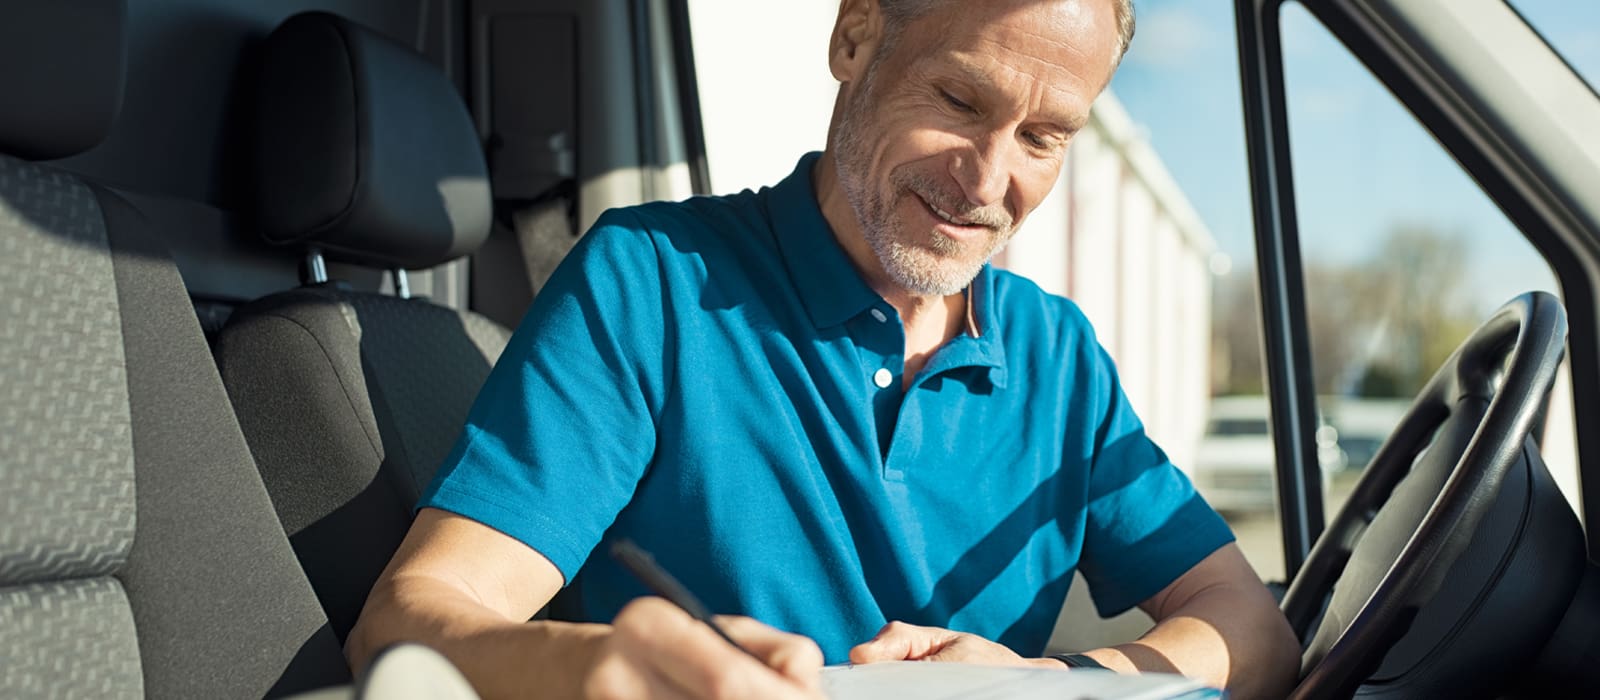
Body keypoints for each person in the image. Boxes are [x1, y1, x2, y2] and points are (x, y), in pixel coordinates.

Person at [347, 0, 1301, 698]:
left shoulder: (1061, 358)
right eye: (961, 101)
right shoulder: (651, 285)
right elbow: (405, 621)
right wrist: (597, 666)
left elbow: (1251, 627)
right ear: (854, 39)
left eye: (1045, 138)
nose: (989, 179)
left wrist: (1051, 682)